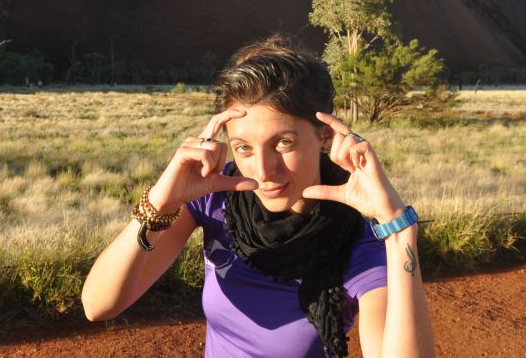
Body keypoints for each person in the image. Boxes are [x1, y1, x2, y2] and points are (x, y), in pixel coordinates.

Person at [81, 35, 435, 357]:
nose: (263, 170)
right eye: (243, 148)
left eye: (284, 142)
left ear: (325, 135)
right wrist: (160, 202)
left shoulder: (356, 237)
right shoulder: (217, 198)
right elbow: (99, 305)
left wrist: (398, 229)